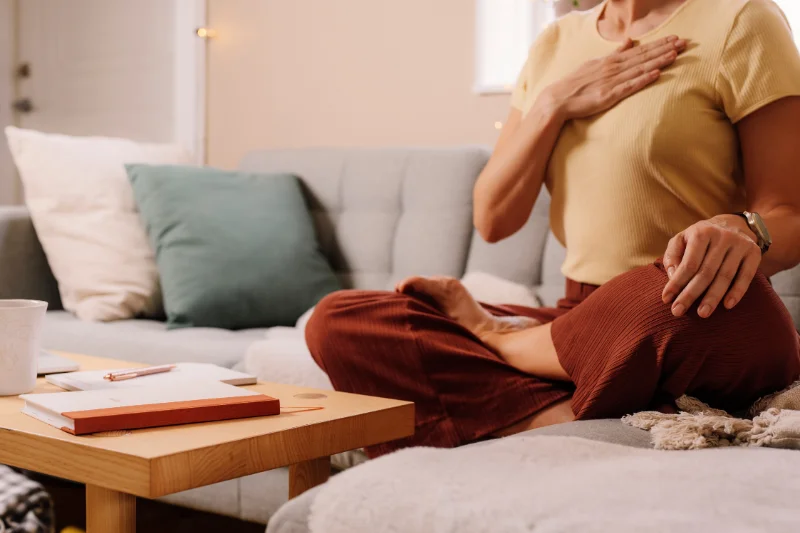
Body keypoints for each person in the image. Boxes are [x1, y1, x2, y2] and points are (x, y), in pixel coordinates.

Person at [306, 0, 800, 458]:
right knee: (344, 319)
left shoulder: (742, 21)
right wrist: (554, 104)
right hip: (576, 314)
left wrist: (743, 229)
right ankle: (565, 416)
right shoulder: (556, 44)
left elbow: (789, 212)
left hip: (696, 309)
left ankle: (504, 345)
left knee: (663, 305)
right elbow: (494, 219)